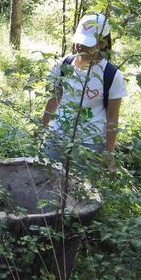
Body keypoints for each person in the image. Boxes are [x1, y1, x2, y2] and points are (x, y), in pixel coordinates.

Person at [42, 13, 128, 173]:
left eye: (87, 43)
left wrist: (109, 152)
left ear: (102, 44)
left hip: (89, 144)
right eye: (79, 41)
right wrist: (43, 129)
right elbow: (54, 99)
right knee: (45, 177)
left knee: (80, 186)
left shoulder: (111, 75)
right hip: (56, 135)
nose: (80, 47)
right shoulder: (63, 66)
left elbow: (112, 117)